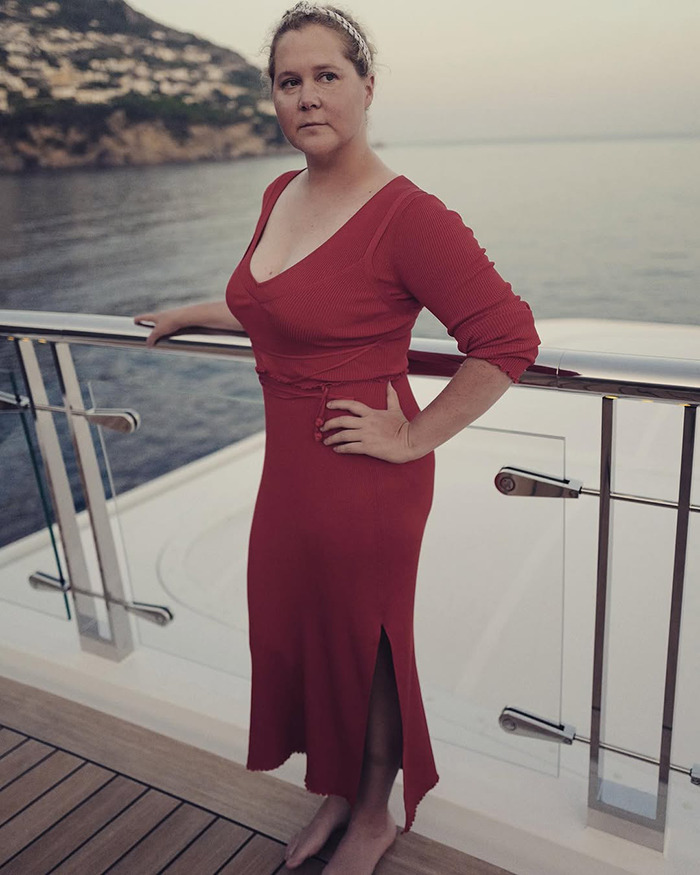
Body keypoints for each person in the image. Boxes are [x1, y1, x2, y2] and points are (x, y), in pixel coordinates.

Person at [135, 3, 540, 872]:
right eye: (289, 82)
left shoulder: (408, 215)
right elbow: (270, 304)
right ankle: (337, 783)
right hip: (289, 468)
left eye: (327, 77)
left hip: (366, 467)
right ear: (273, 98)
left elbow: (507, 338)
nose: (308, 97)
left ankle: (376, 810)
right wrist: (191, 312)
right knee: (306, 627)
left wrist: (414, 436)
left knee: (371, 639)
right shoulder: (280, 192)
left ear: (366, 87)